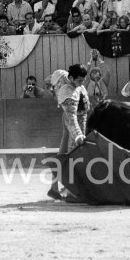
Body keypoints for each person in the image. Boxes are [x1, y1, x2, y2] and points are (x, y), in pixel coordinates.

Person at [47, 65, 90, 200]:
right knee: (71, 155)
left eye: (83, 80)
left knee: (64, 155)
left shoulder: (74, 84)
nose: (82, 83)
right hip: (73, 123)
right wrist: (77, 134)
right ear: (70, 78)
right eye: (79, 81)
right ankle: (71, 192)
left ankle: (55, 188)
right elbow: (71, 117)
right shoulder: (67, 90)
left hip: (79, 121)